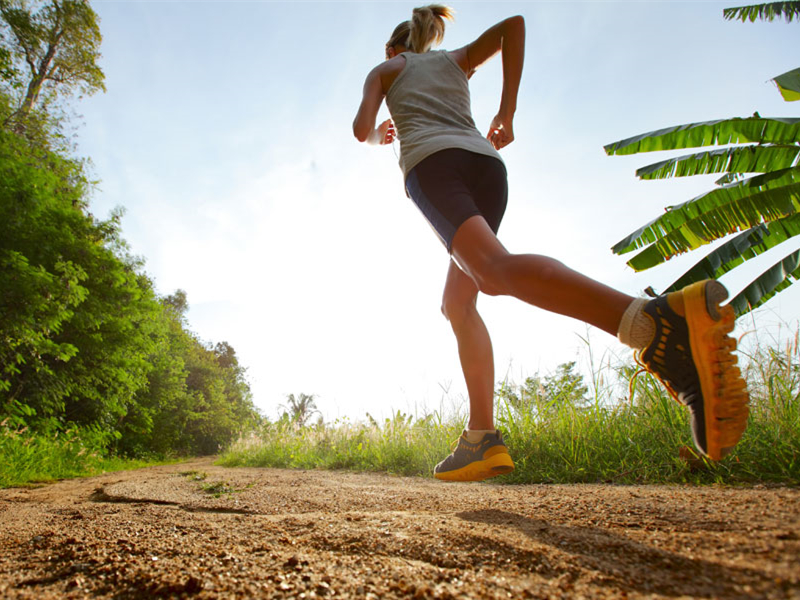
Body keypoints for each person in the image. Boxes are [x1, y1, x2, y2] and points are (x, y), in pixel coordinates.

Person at [353, 5, 749, 482]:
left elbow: (361, 130)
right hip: (486, 166)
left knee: (493, 272)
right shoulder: (454, 59)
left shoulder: (386, 69)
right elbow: (512, 27)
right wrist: (507, 112)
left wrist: (380, 135)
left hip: (432, 166)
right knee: (457, 303)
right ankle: (482, 438)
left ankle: (651, 325)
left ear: (395, 48)